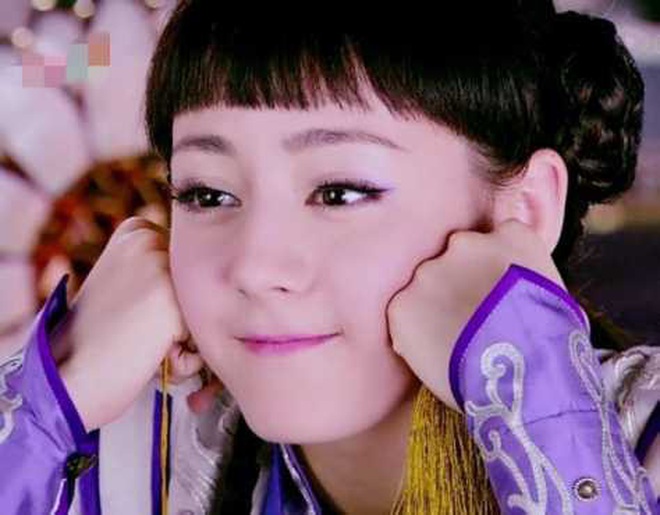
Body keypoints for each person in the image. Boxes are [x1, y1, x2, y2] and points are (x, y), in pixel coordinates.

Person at [1, 1, 659, 513]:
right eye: (208, 194)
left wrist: (535, 406)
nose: (255, 267)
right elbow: (44, 67)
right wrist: (51, 400)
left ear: (525, 209)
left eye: (340, 192)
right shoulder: (121, 452)